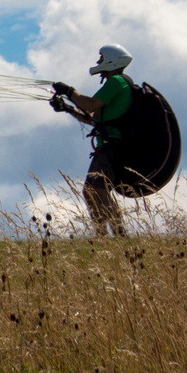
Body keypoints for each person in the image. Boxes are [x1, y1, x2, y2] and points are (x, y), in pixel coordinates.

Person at [50, 44, 136, 236]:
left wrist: (69, 91)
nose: (98, 62)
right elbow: (94, 119)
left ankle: (120, 235)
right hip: (108, 146)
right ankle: (102, 236)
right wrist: (68, 108)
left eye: (101, 58)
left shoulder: (116, 81)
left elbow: (89, 105)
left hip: (112, 146)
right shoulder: (118, 83)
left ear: (111, 60)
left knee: (99, 190)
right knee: (91, 191)